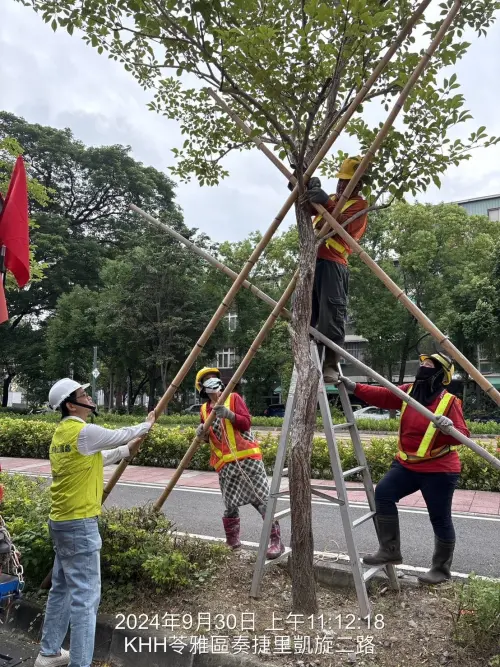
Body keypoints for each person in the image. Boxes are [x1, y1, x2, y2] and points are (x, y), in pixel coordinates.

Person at [34, 378, 156, 667]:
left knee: (61, 589)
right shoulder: (83, 431)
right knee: (86, 601)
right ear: (71, 404)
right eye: (83, 394)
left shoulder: (63, 434)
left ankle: (49, 652)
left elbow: (100, 457)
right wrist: (146, 424)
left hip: (61, 521)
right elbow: (116, 435)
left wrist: (127, 450)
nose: (89, 396)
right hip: (79, 525)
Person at [341, 353, 469, 584]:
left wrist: (449, 428)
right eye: (422, 364)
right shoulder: (408, 392)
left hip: (439, 470)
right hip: (407, 465)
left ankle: (440, 570)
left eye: (429, 366)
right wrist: (354, 387)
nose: (423, 368)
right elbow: (383, 395)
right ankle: (390, 550)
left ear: (441, 374)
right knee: (384, 493)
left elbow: (463, 436)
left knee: (440, 518)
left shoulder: (449, 401)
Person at [194, 367, 284, 559]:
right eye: (207, 381)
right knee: (230, 506)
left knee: (262, 501)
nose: (213, 383)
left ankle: (276, 542)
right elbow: (210, 440)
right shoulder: (204, 410)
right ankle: (232, 542)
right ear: (202, 388)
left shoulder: (233, 399)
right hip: (225, 466)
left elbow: (246, 423)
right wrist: (201, 434)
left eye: (214, 379)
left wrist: (230, 415)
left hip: (248, 461)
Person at [301, 156, 369, 382]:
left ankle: (330, 362)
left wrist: (327, 204)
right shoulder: (331, 198)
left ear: (358, 184)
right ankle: (306, 355)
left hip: (333, 262)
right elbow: (307, 207)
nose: (341, 186)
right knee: (307, 311)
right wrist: (305, 187)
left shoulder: (360, 206)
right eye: (340, 181)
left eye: (347, 182)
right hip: (312, 261)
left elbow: (345, 227)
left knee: (331, 313)